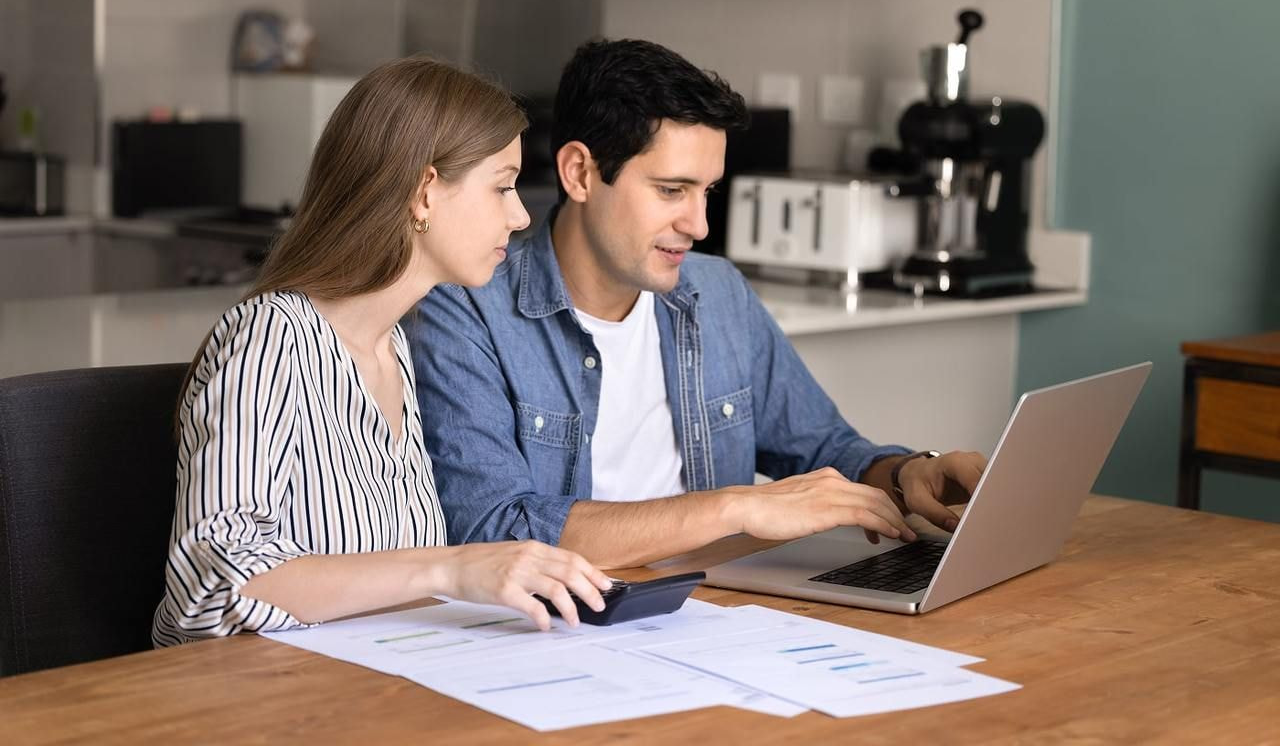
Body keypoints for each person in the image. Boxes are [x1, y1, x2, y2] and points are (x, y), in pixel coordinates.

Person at [407, 38, 987, 569]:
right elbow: (494, 530)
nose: (700, 224)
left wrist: (910, 473)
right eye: (671, 190)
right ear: (580, 173)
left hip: (714, 616)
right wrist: (734, 509)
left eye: (707, 191)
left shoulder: (716, 292)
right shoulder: (465, 310)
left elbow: (825, 449)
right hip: (561, 632)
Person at [153, 57, 611, 646]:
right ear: (424, 192)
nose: (521, 215)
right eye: (501, 186)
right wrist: (453, 568)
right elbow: (212, 591)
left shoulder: (393, 346)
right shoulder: (269, 338)